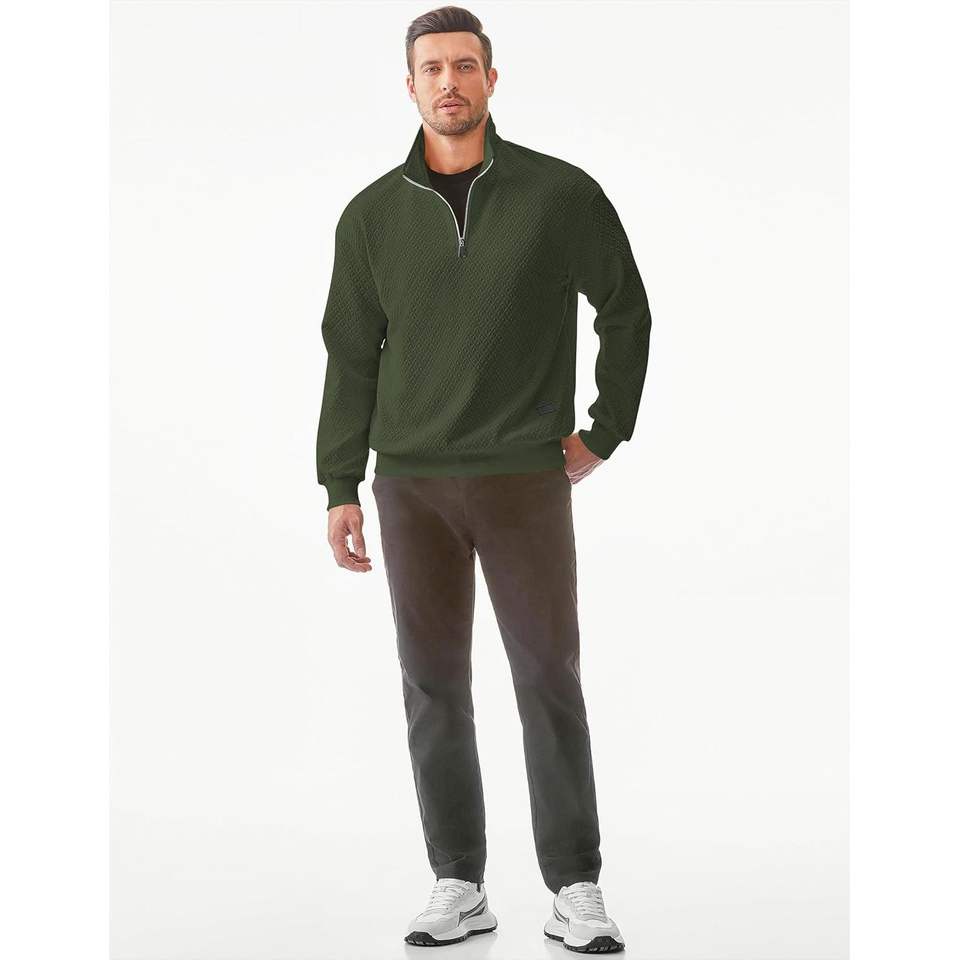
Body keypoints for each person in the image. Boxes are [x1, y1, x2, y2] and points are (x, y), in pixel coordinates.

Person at [315, 5, 651, 953]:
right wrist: (340, 483)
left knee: (547, 675)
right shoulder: (372, 216)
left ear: (491, 80)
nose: (449, 82)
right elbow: (350, 355)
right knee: (432, 684)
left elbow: (626, 311)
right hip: (410, 484)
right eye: (432, 68)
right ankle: (458, 882)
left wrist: (605, 431)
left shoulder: (558, 195)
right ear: (410, 85)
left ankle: (575, 886)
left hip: (522, 479)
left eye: (465, 66)